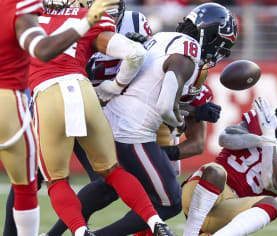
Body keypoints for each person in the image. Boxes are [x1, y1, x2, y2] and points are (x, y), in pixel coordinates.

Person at [64, 3, 236, 235]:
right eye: (220, 45)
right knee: (158, 197)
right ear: (210, 35)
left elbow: (193, 138)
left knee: (119, 185)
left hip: (115, 118)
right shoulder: (185, 49)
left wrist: (192, 112)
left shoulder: (163, 40)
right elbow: (160, 99)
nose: (217, 53)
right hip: (128, 125)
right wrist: (185, 116)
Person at [28, 1, 176, 235]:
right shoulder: (86, 17)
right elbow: (135, 53)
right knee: (112, 171)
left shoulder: (26, 21)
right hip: (85, 91)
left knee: (56, 180)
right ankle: (155, 221)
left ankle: (80, 231)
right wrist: (114, 87)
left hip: (47, 95)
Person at [0, 0, 118, 235]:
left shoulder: (120, 23)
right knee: (29, 182)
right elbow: (43, 50)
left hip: (77, 103)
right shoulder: (31, 11)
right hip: (42, 100)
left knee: (107, 182)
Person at [181, 83, 277, 236]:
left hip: (227, 211)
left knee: (273, 205)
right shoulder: (262, 122)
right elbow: (225, 139)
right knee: (215, 171)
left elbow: (273, 183)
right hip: (200, 191)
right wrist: (260, 139)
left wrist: (269, 141)